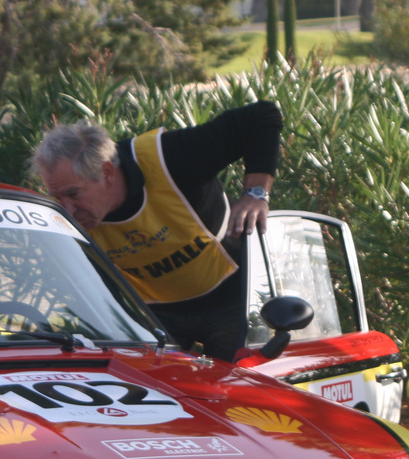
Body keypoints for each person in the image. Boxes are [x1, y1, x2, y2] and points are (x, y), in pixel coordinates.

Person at [31, 104, 281, 362]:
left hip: (230, 299)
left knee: (235, 387)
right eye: (57, 197)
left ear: (107, 173)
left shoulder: (169, 157)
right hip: (158, 313)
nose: (68, 210)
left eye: (74, 194)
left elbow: (261, 117)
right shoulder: (66, 215)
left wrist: (255, 194)